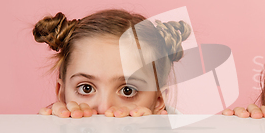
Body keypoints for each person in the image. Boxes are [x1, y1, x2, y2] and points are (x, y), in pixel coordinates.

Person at [33, 9, 191, 118]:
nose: (104, 109)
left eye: (128, 91)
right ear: (62, 93)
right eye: (86, 88)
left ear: (158, 102)